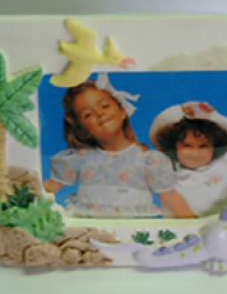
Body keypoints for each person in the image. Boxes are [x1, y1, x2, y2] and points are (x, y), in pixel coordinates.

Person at [43, 73, 194, 219]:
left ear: (123, 111)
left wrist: (194, 226)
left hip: (135, 231)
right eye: (88, 114)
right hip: (91, 230)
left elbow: (170, 196)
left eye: (104, 106)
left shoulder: (149, 160)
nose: (99, 113)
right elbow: (50, 188)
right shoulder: (79, 159)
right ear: (83, 131)